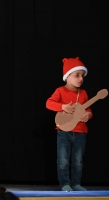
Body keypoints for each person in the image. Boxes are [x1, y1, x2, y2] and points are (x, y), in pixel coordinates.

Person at [46, 57, 92, 191]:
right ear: (67, 76)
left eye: (82, 75)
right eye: (76, 75)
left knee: (78, 162)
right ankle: (65, 184)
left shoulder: (83, 93)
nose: (80, 78)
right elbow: (49, 103)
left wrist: (88, 115)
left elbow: (88, 109)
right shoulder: (60, 91)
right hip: (64, 132)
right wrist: (63, 107)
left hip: (80, 132)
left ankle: (76, 183)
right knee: (63, 161)